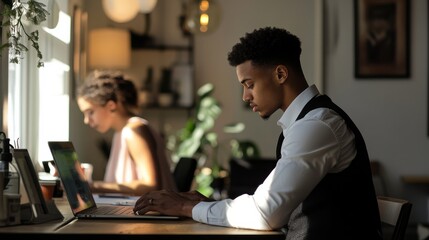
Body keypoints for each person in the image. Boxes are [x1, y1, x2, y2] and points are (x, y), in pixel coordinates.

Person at [133, 27, 382, 239]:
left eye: (250, 85)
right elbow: (269, 203)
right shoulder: (307, 123)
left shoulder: (317, 126)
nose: (245, 96)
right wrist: (206, 205)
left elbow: (265, 214)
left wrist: (187, 207)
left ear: (281, 74)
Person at [77, 71, 177, 196]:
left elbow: (151, 185)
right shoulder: (122, 133)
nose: (87, 120)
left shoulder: (134, 131)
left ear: (111, 106)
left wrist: (92, 186)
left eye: (90, 112)